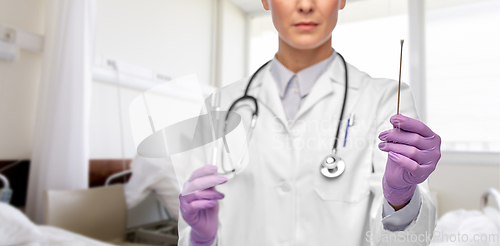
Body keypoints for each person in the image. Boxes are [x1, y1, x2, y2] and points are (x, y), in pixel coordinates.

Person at [177, 0, 441, 245]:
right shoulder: (220, 106)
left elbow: (408, 242)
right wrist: (201, 238)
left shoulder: (385, 99)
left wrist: (400, 198)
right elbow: (193, 226)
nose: (305, 5)